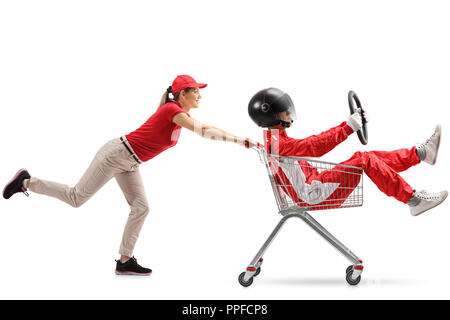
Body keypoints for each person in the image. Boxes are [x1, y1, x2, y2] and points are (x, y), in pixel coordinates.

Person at [3, 75, 257, 275]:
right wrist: (239, 140)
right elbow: (205, 131)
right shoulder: (172, 111)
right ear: (183, 94)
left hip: (130, 162)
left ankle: (124, 261)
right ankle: (26, 181)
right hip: (116, 155)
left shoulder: (177, 113)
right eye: (196, 90)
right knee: (76, 198)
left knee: (141, 207)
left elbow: (199, 128)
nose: (200, 95)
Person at [248, 87, 448, 216]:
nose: (290, 114)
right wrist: (348, 127)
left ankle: (421, 154)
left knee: (365, 158)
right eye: (286, 111)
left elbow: (310, 145)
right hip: (313, 194)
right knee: (365, 160)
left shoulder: (276, 139)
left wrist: (350, 126)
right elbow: (314, 146)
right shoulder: (276, 144)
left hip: (315, 184)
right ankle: (413, 199)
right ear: (271, 116)